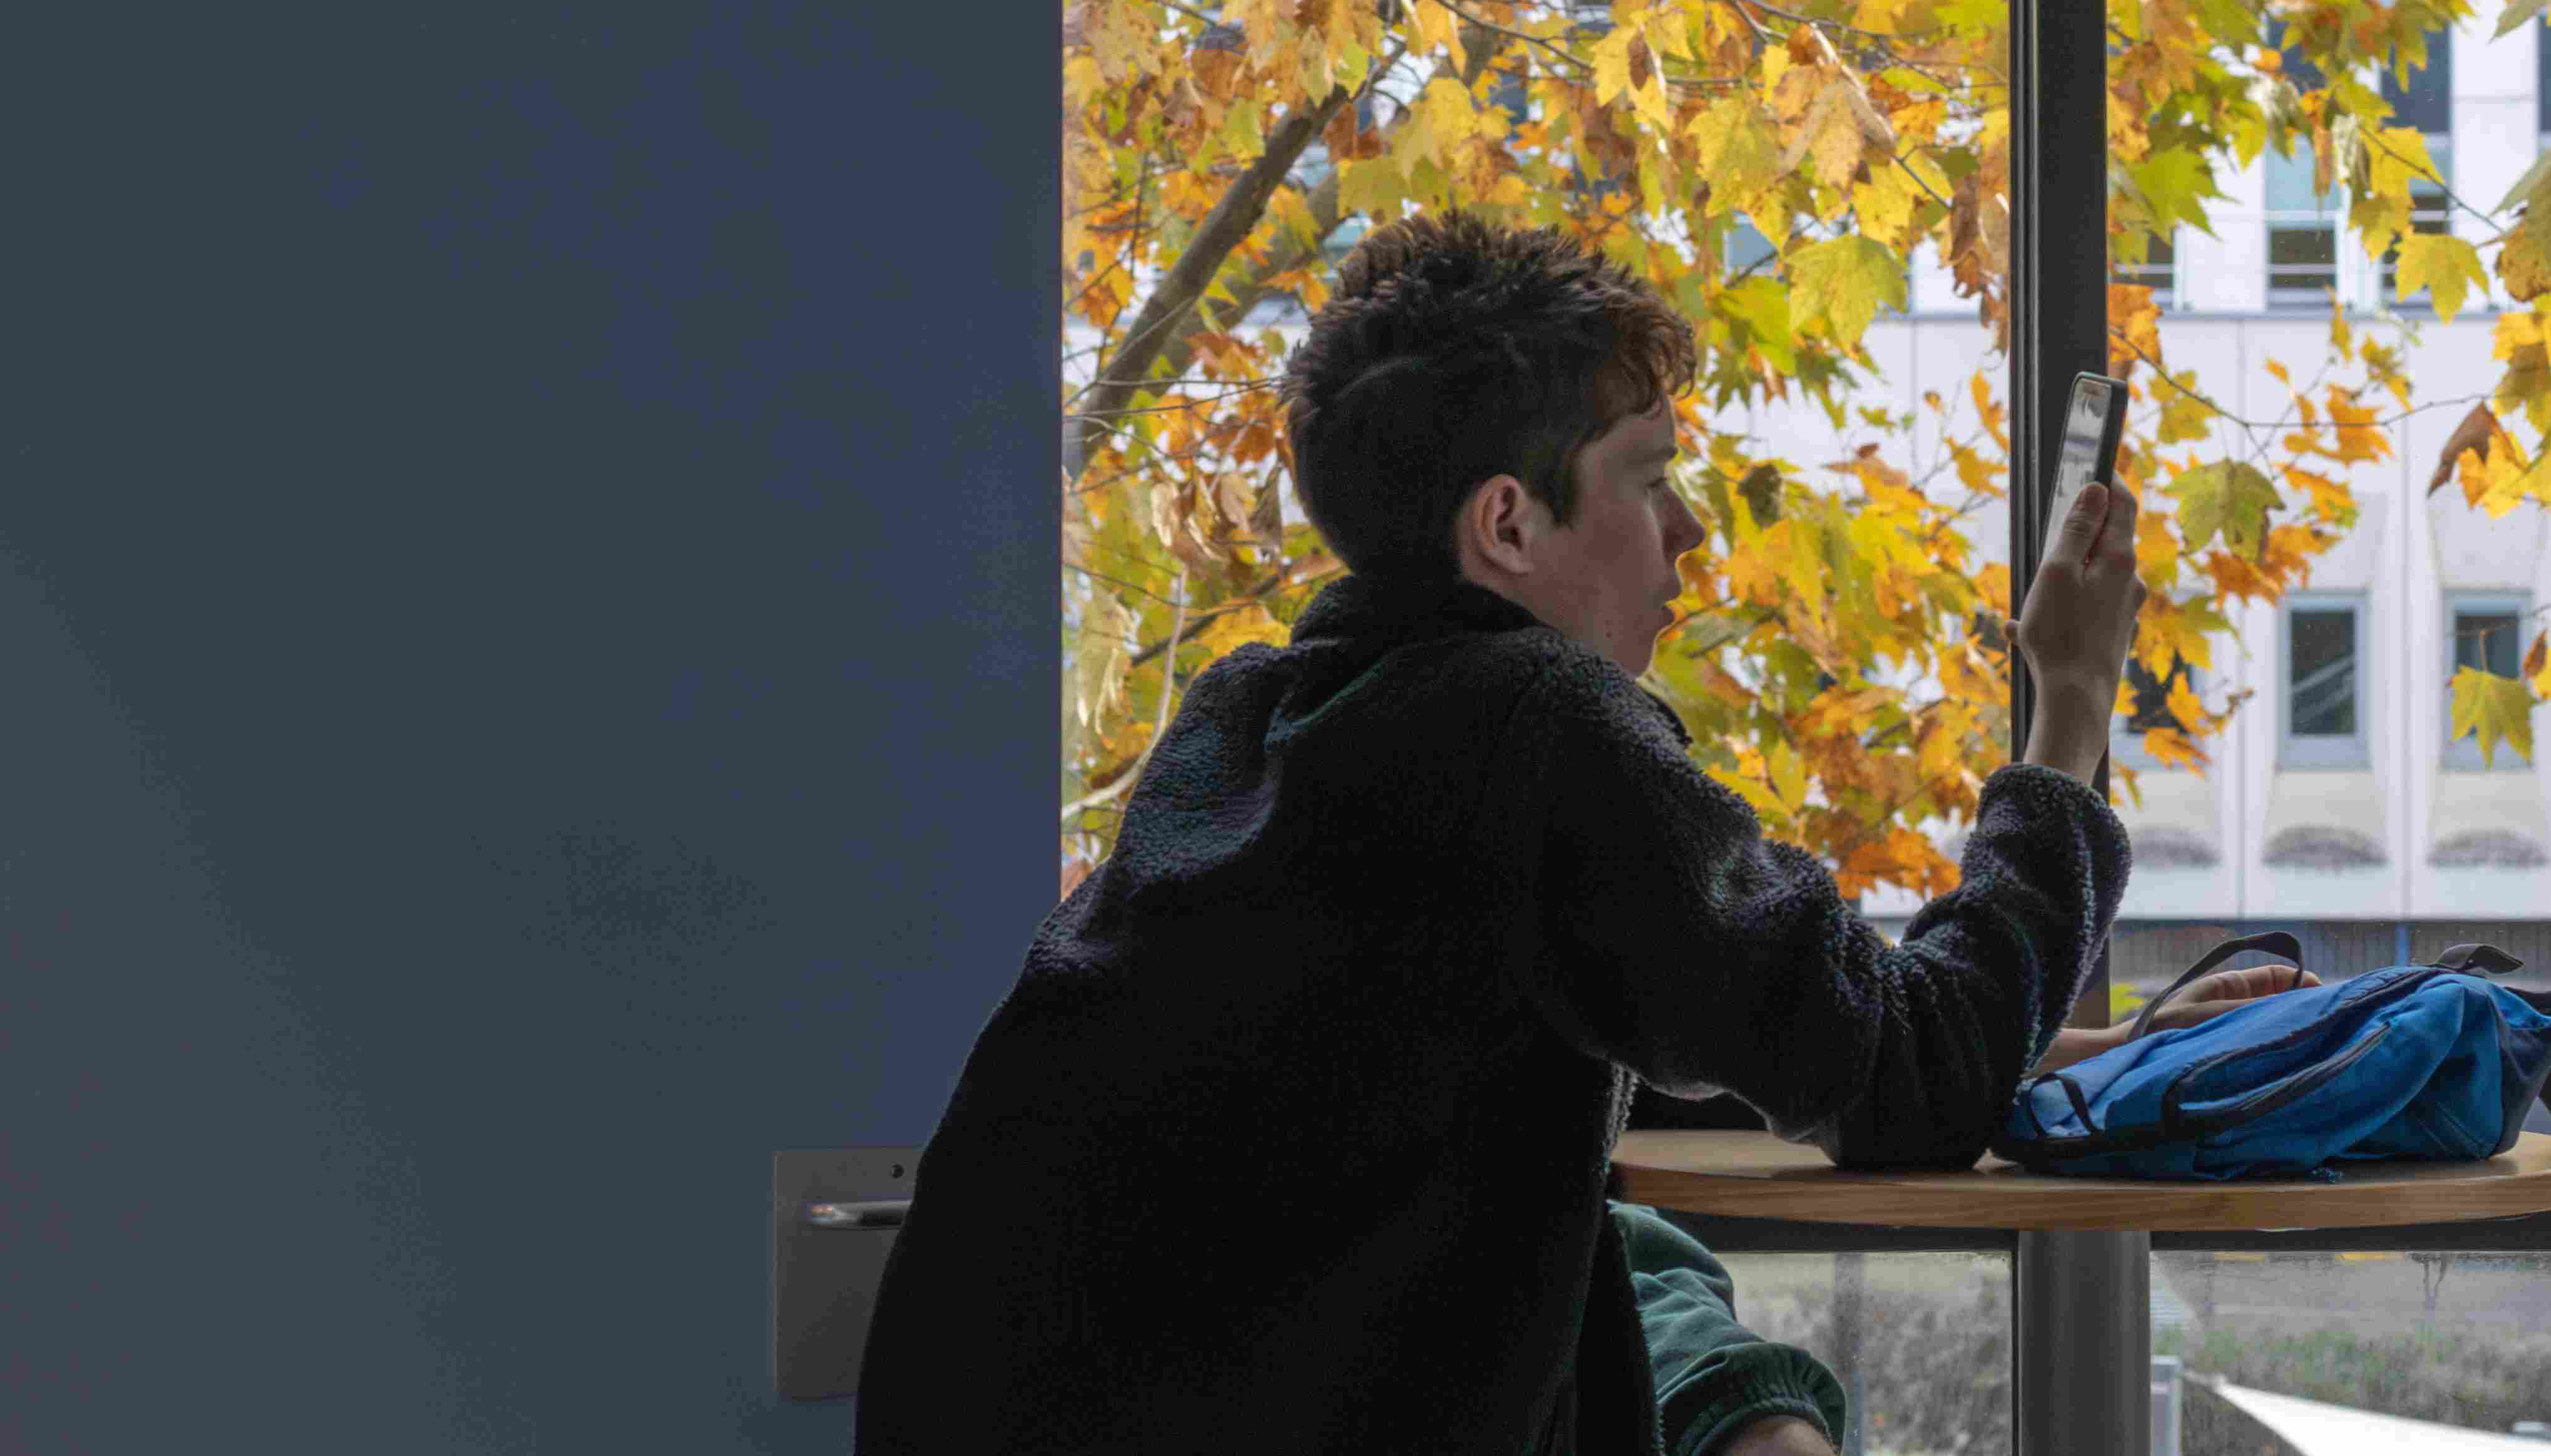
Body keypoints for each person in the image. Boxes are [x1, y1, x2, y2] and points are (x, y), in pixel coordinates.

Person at [852, 207, 2307, 1454]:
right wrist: (2070, 706)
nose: (1688, 537)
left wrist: (2101, 1053)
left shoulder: (1256, 722)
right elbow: (1904, 1081)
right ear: (1508, 526)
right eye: (1650, 479)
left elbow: (1668, 1048)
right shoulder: (1532, 722)